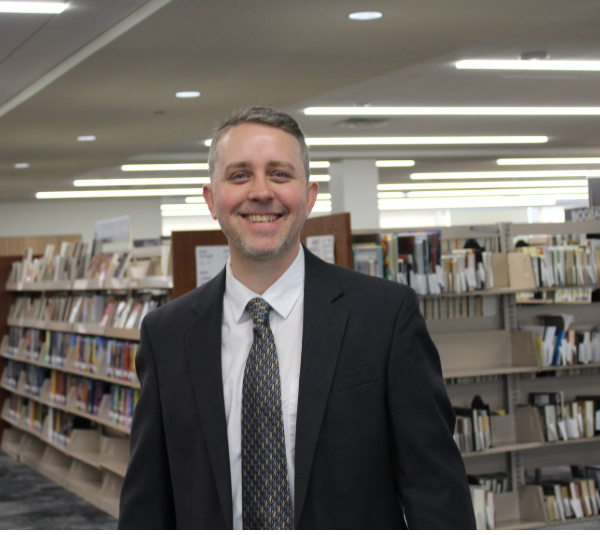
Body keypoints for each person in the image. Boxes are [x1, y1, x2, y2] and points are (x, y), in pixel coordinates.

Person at [118, 106, 476, 529]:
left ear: (309, 197)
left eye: (280, 174)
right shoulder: (167, 335)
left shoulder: (384, 317)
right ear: (212, 200)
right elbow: (148, 504)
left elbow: (436, 492)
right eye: (239, 175)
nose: (261, 191)